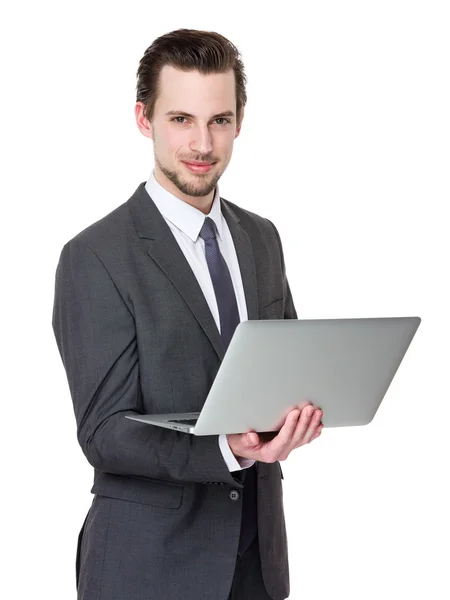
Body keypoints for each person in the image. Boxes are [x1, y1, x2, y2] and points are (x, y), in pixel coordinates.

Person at [52, 28, 324, 600]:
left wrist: (295, 417)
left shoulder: (261, 238)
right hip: (150, 567)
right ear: (144, 119)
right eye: (181, 119)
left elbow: (283, 369)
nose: (202, 143)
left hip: (258, 562)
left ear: (239, 121)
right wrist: (229, 448)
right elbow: (104, 432)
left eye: (219, 120)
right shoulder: (95, 256)